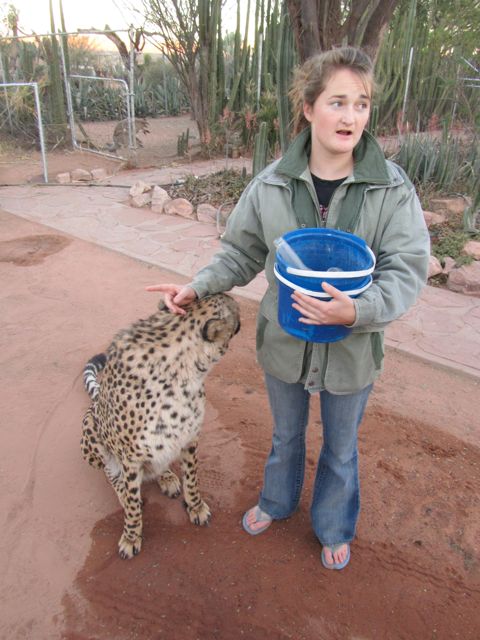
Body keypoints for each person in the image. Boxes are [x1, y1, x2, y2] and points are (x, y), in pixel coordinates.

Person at [147, 46, 430, 570]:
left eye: (362, 104)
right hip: (284, 341)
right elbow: (241, 250)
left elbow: (407, 268)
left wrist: (357, 312)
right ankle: (277, 502)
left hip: (352, 351)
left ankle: (332, 525)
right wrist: (198, 286)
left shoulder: (390, 188)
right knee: (285, 434)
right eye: (338, 102)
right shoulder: (272, 183)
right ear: (308, 106)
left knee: (342, 448)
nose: (351, 117)